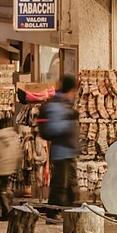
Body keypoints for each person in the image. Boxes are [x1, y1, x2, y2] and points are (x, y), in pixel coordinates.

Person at [38, 76, 80, 209]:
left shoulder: (64, 104)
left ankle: (71, 213)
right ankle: (54, 211)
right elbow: (53, 128)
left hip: (68, 151)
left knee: (71, 184)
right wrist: (69, 122)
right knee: (60, 184)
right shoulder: (57, 105)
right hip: (61, 151)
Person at [0, 107, 24, 212]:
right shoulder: (12, 137)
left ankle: (6, 211)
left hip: (0, 168)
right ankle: (9, 198)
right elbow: (17, 152)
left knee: (1, 190)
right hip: (10, 166)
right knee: (5, 187)